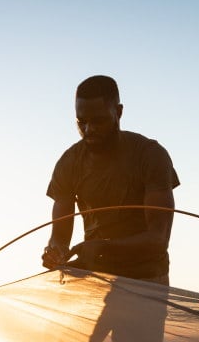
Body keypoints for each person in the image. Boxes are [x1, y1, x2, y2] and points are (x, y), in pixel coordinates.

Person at [41, 74, 179, 283]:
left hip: (147, 279)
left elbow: (158, 240)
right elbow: (59, 237)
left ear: (119, 112)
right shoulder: (69, 163)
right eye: (82, 122)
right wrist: (55, 251)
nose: (89, 130)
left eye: (98, 121)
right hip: (96, 278)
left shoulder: (150, 155)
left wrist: (101, 247)